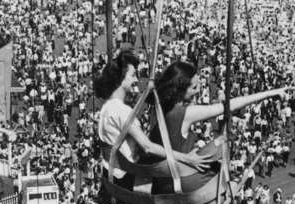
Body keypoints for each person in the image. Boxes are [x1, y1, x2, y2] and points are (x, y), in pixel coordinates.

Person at [149, 61, 282, 193]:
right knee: (221, 145)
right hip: (179, 179)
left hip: (164, 175)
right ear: (181, 88)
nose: (197, 91)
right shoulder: (183, 113)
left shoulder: (159, 106)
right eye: (194, 88)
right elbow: (229, 106)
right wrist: (270, 93)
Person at [95, 50, 210, 191]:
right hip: (127, 178)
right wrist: (187, 158)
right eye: (132, 75)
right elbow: (148, 147)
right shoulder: (120, 111)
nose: (136, 80)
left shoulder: (108, 107)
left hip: (119, 173)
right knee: (186, 173)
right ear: (120, 79)